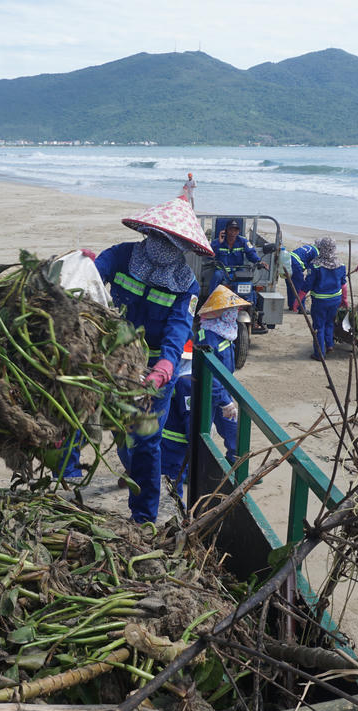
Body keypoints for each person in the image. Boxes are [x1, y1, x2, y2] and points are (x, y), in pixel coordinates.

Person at [92, 197, 209, 524]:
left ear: (182, 248)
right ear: (149, 233)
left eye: (171, 245)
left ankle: (143, 515)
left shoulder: (187, 285)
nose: (162, 249)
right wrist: (86, 271)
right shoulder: (123, 256)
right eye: (159, 240)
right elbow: (94, 276)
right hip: (114, 361)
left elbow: (178, 326)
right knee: (120, 428)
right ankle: (132, 468)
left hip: (155, 370)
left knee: (146, 441)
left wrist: (165, 365)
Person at [195, 285, 251, 461]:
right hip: (209, 392)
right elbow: (208, 372)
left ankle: (236, 463)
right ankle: (193, 470)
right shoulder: (207, 336)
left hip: (222, 391)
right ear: (218, 312)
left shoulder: (226, 332)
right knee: (201, 431)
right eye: (231, 309)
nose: (234, 313)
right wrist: (225, 401)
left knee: (232, 429)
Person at [211, 219, 270, 330]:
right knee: (216, 276)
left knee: (250, 286)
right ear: (226, 230)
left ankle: (253, 315)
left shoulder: (242, 241)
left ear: (238, 231)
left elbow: (251, 254)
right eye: (231, 230)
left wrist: (259, 262)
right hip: (223, 272)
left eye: (236, 230)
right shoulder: (218, 241)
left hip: (238, 272)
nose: (233, 232)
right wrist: (218, 242)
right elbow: (211, 253)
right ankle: (211, 307)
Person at [303, 236, 348, 360]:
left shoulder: (315, 265)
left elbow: (308, 284)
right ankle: (329, 345)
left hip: (320, 301)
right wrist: (345, 300)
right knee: (329, 323)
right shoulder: (340, 264)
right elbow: (343, 285)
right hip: (335, 300)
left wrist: (298, 300)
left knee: (318, 326)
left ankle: (319, 354)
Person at [160, 342, 194, 501]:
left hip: (172, 444)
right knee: (173, 480)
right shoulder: (185, 381)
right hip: (174, 444)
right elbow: (189, 418)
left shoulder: (181, 380)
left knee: (172, 479)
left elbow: (188, 418)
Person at [285, 242, 318, 316]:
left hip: (287, 260)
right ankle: (301, 308)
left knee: (290, 285)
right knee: (300, 287)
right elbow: (312, 268)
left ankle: (291, 305)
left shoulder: (309, 247)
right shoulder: (316, 253)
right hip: (296, 264)